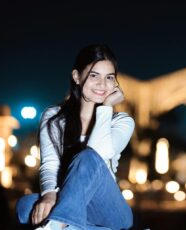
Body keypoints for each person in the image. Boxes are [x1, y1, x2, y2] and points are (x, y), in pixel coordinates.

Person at [16, 44, 135, 230]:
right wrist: (49, 195)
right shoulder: (54, 117)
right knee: (26, 206)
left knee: (87, 157)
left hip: (110, 211)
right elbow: (50, 164)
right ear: (76, 77)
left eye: (109, 77)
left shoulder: (121, 121)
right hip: (72, 200)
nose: (103, 84)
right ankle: (69, 224)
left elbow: (97, 153)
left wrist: (106, 107)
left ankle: (57, 225)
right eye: (94, 75)